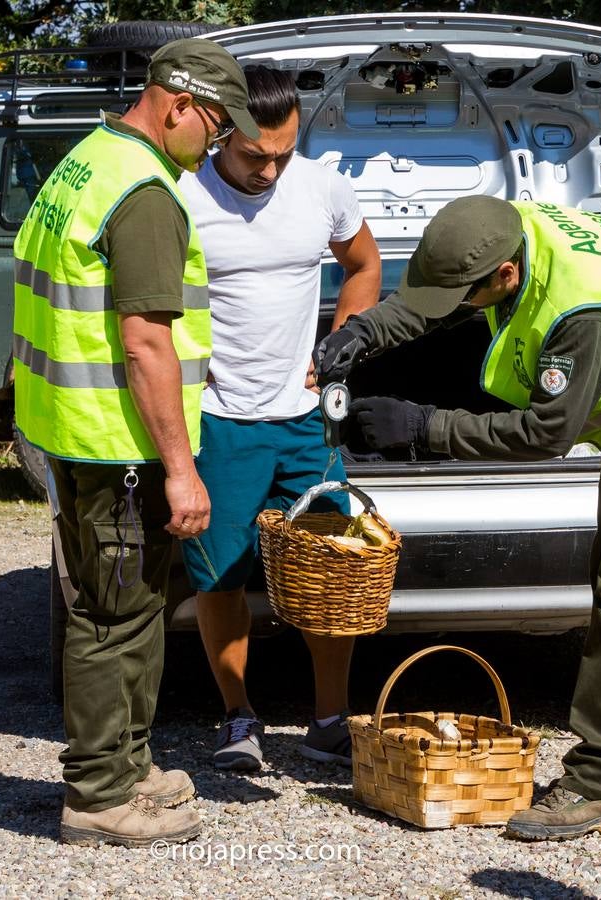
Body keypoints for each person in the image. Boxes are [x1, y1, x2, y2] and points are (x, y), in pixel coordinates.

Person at [315, 195, 601, 841]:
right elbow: (433, 295)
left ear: (505, 276)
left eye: (470, 296)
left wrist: (424, 427)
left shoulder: (580, 300)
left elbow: (548, 432)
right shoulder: (498, 231)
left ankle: (597, 782)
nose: (460, 308)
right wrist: (364, 330)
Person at [12, 38, 259, 848]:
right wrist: (184, 471)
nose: (218, 146)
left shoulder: (88, 159)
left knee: (131, 607)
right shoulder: (147, 192)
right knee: (113, 618)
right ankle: (97, 796)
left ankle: (127, 765)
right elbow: (147, 342)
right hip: (118, 446)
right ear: (177, 102)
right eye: (216, 127)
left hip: (76, 434)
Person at [177, 65, 381, 772]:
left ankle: (329, 721)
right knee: (220, 577)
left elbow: (362, 264)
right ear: (221, 133)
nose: (270, 167)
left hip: (303, 422)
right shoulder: (182, 197)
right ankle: (238, 719)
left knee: (334, 564)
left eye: (283, 153)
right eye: (254, 154)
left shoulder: (322, 185)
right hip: (219, 420)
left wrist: (341, 343)